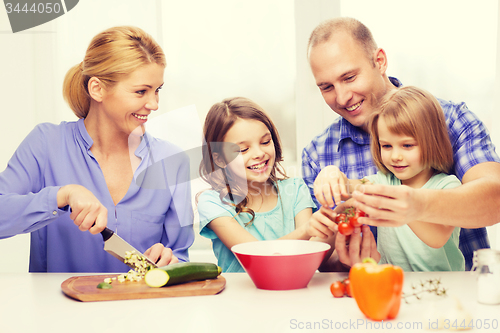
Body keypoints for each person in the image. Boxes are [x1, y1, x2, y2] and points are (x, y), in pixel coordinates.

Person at [302, 17, 500, 271]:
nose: (342, 97)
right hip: (376, 293)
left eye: (349, 77)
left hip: (460, 297)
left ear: (380, 61)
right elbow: (318, 254)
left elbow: (495, 199)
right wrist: (344, 261)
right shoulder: (318, 154)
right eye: (326, 87)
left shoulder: (450, 119)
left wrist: (418, 205)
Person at [0, 26, 194, 272]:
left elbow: (180, 256)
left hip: (144, 309)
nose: (154, 104)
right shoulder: (46, 144)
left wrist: (171, 260)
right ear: (97, 89)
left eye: (157, 91)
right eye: (141, 91)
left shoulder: (172, 162)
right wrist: (62, 195)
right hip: (58, 310)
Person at [311, 86, 464, 271]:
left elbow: (437, 237)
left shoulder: (448, 186)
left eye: (407, 145)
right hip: (390, 284)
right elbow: (349, 187)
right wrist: (331, 173)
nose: (395, 156)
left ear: (433, 141)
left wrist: (401, 203)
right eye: (386, 146)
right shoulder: (383, 182)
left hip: (438, 287)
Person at [197, 97, 338, 272]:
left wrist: (338, 216)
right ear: (219, 158)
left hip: (294, 293)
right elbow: (257, 257)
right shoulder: (213, 203)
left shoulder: (295, 189)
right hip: (239, 298)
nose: (259, 153)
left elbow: (312, 253)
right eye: (243, 149)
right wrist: (307, 230)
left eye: (265, 142)